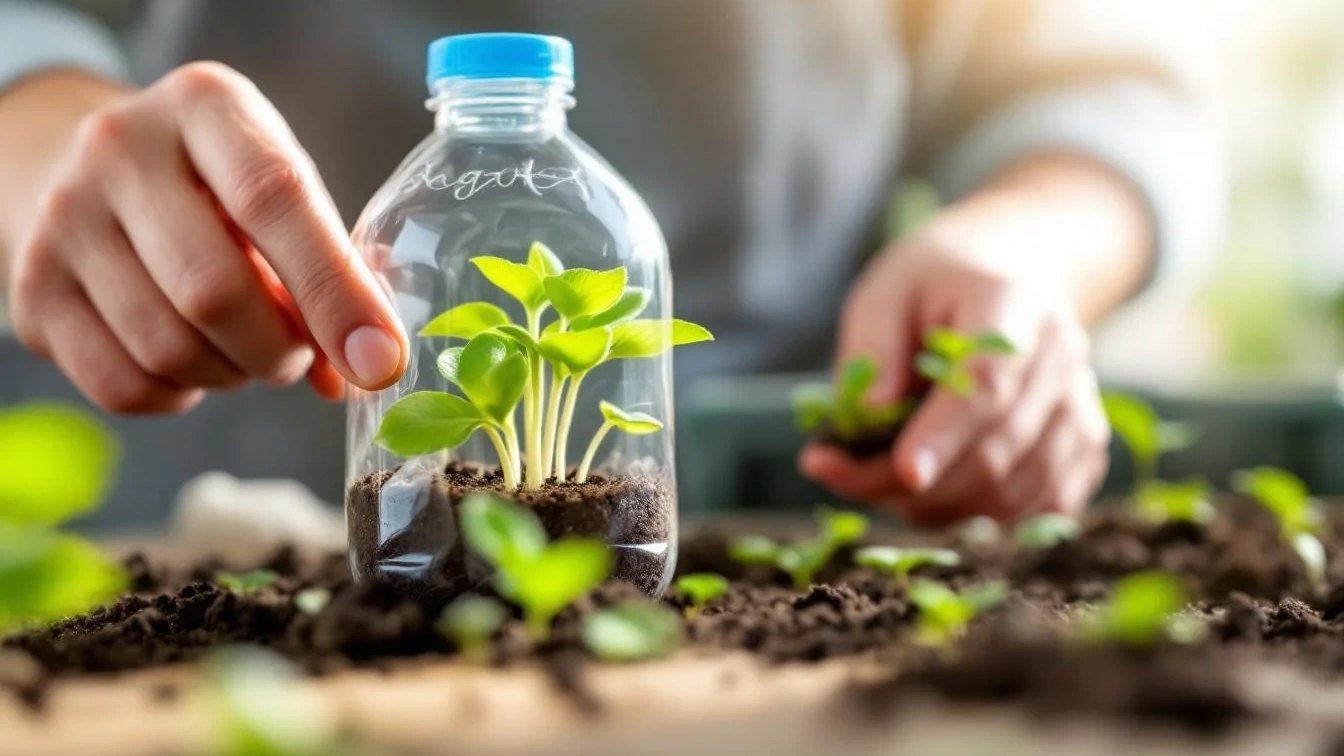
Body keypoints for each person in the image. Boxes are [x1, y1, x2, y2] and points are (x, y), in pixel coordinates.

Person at [0, 1, 1222, 526]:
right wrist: (39, 132)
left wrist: (1018, 246)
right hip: (172, 483)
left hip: (772, 499)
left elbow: (1100, 83)